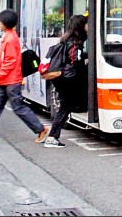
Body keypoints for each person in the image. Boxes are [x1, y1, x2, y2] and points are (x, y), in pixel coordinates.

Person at [0, 9, 49, 147]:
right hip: (4, 80)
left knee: (18, 107)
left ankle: (41, 129)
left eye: (0, 21)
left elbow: (10, 60)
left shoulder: (10, 38)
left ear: (5, 23)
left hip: (10, 80)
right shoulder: (8, 36)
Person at [45, 15, 88, 148]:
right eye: (86, 24)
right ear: (80, 26)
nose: (88, 26)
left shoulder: (65, 39)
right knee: (65, 107)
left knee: (65, 106)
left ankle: (52, 137)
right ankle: (52, 138)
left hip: (60, 78)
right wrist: (85, 62)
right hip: (68, 79)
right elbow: (76, 61)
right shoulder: (76, 42)